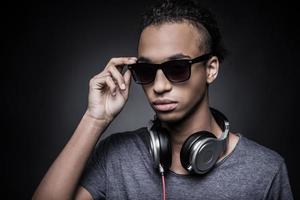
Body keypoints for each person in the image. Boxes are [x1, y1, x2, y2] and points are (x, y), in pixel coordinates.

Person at [32, 0, 293, 199]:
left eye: (177, 68)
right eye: (146, 71)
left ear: (211, 69)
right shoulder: (118, 158)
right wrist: (94, 119)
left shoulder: (265, 171)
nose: (158, 86)